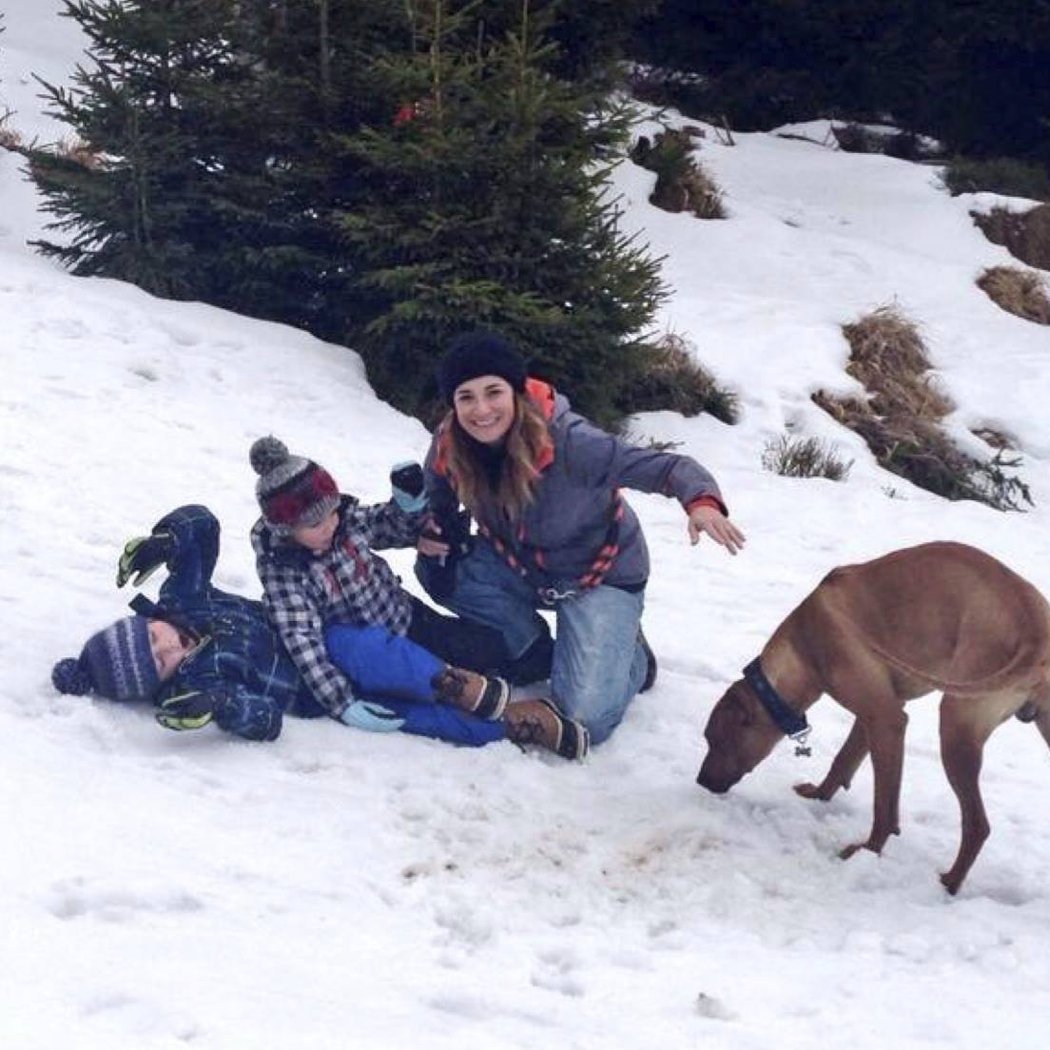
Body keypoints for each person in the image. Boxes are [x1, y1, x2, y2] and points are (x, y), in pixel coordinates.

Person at [416, 330, 748, 747]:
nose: (481, 409)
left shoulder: (571, 442)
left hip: (598, 576)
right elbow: (437, 497)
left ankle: (635, 661)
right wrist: (434, 533)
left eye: (493, 392)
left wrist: (701, 502)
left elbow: (666, 468)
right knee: (441, 568)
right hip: (523, 566)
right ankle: (532, 650)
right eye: (466, 397)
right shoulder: (452, 443)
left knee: (585, 715)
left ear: (516, 392)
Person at [51, 503, 582, 756]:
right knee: (418, 723)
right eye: (161, 664)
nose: (168, 647)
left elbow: (204, 528)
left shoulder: (182, 599)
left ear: (146, 619)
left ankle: (454, 682)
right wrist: (221, 707)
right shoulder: (197, 687)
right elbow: (265, 721)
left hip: (318, 638)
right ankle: (517, 722)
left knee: (376, 653)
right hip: (315, 698)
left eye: (151, 638)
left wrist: (166, 540)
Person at [248, 437, 588, 758]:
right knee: (428, 705)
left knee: (491, 649)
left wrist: (408, 503)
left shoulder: (345, 524)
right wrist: (341, 702)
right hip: (367, 654)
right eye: (313, 524)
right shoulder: (285, 570)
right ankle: (497, 716)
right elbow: (300, 637)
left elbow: (388, 525)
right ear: (286, 531)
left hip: (408, 618)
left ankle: (561, 664)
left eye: (331, 513)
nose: (328, 526)